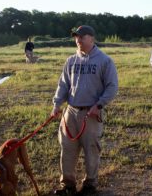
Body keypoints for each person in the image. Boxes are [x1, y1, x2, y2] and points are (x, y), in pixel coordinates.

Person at [51, 25, 118, 195]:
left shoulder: (104, 61)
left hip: (91, 113)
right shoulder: (71, 61)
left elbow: (112, 87)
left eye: (81, 37)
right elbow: (63, 85)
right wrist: (57, 105)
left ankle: (90, 184)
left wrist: (99, 105)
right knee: (67, 149)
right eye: (76, 37)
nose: (78, 40)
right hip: (71, 112)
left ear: (92, 39)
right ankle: (68, 185)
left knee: (91, 150)